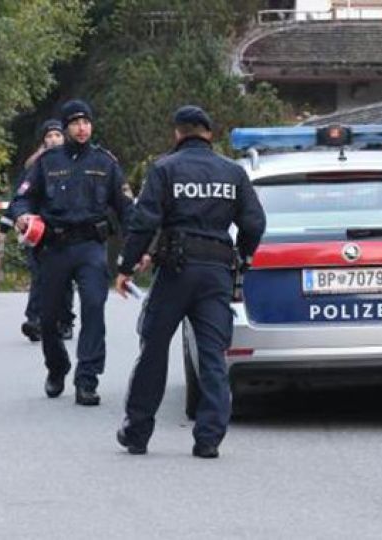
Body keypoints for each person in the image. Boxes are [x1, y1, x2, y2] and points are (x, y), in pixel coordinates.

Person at [114, 105, 265, 457]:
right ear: (209, 134)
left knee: (153, 350)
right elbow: (255, 223)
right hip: (216, 274)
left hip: (176, 272)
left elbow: (144, 221)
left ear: (178, 133)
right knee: (213, 355)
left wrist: (126, 265)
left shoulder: (165, 168)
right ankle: (209, 439)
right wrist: (241, 257)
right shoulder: (233, 172)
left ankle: (137, 433)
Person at [10, 99, 133, 406]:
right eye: (76, 123)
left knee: (93, 308)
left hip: (91, 247)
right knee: (49, 318)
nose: (82, 128)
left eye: (87, 122)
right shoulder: (47, 162)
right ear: (65, 128)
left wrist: (136, 249)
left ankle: (87, 379)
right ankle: (57, 367)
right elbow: (21, 199)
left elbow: (127, 208)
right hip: (54, 247)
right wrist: (22, 215)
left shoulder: (106, 163)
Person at [0, 120, 76, 342]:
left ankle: (65, 321)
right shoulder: (35, 166)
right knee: (39, 276)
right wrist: (6, 225)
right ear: (43, 139)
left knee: (64, 278)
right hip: (39, 231)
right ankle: (35, 321)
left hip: (66, 229)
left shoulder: (75, 162)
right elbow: (19, 198)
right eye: (49, 136)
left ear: (65, 138)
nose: (53, 139)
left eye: (58, 135)